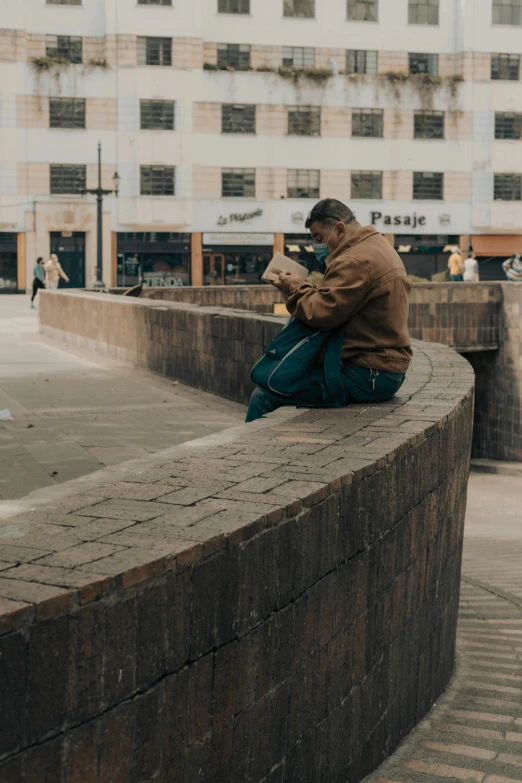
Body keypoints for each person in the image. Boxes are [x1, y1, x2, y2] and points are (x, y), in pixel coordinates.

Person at [246, 198, 412, 422]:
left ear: (340, 229)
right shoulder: (375, 246)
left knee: (265, 395)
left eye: (318, 238)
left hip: (369, 373)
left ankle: (257, 456)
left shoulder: (355, 259)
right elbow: (340, 302)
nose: (317, 246)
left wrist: (294, 286)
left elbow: (322, 313)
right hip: (382, 368)